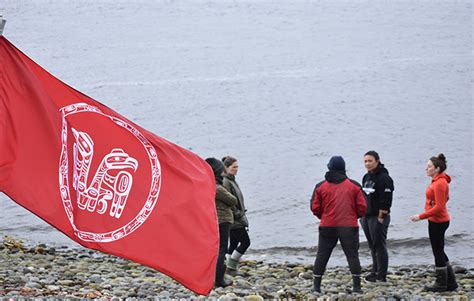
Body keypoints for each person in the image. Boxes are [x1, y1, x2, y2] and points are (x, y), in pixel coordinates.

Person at [310, 156, 367, 293]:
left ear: (329, 168)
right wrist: (354, 216)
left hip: (327, 225)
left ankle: (316, 287)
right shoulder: (354, 185)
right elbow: (363, 207)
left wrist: (323, 217)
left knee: (322, 255)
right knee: (352, 255)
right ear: (344, 168)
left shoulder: (320, 186)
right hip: (348, 226)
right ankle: (357, 287)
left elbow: (314, 207)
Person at [410, 154, 458, 292]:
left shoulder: (440, 183)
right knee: (439, 250)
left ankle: (441, 283)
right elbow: (444, 199)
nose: (426, 168)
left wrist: (420, 216)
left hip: (439, 221)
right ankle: (451, 282)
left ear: (437, 169)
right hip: (436, 220)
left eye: (429, 166)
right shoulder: (437, 181)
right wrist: (431, 209)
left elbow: (440, 207)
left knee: (437, 252)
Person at [360, 150, 394, 282]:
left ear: (377, 161)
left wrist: (381, 216)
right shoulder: (366, 177)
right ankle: (374, 270)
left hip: (378, 216)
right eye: (365, 161)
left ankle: (382, 274)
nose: (367, 164)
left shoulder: (384, 178)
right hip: (366, 216)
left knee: (380, 245)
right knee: (372, 245)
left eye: (370, 161)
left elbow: (387, 199)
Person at [205, 157, 238, 288]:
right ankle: (219, 279)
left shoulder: (209, 184)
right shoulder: (217, 187)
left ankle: (215, 277)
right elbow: (233, 200)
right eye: (221, 171)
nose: (223, 173)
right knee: (222, 249)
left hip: (216, 220)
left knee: (218, 249)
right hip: (223, 220)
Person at [222, 156, 250, 273]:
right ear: (226, 168)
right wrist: (237, 213)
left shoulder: (232, 179)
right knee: (245, 242)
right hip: (234, 218)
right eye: (234, 167)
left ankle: (227, 267)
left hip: (236, 217)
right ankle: (231, 266)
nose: (237, 169)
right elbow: (228, 200)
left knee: (233, 243)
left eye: (237, 167)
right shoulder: (226, 182)